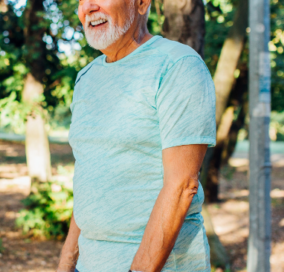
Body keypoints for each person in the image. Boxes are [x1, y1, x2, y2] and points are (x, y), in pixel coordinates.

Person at [56, 0, 216, 270]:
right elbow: (90, 184)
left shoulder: (178, 65)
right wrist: (66, 262)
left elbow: (182, 186)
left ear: (141, 3)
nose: (89, 7)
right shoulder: (86, 78)